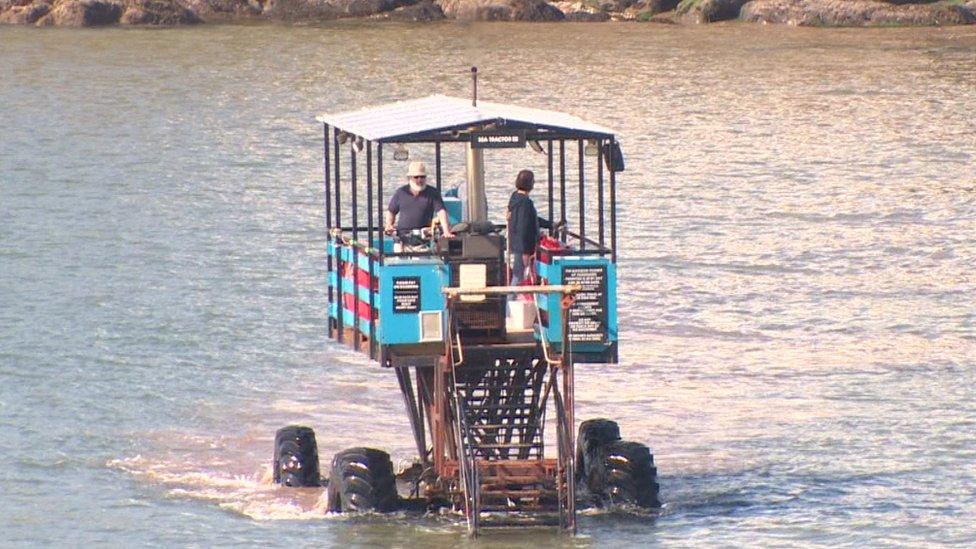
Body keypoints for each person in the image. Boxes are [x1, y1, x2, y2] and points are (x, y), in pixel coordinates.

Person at [385, 161, 454, 251]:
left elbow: (441, 211)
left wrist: (446, 231)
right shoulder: (401, 192)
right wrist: (389, 224)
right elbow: (391, 211)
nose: (419, 180)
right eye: (416, 177)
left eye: (422, 177)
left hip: (423, 242)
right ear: (410, 178)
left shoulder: (432, 193)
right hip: (402, 241)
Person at [507, 169, 551, 287]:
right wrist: (525, 252)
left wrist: (550, 224)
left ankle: (511, 300)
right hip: (523, 248)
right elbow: (523, 226)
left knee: (519, 276)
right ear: (530, 184)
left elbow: (532, 219)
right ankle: (510, 301)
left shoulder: (514, 198)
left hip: (517, 245)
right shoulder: (525, 203)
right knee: (518, 277)